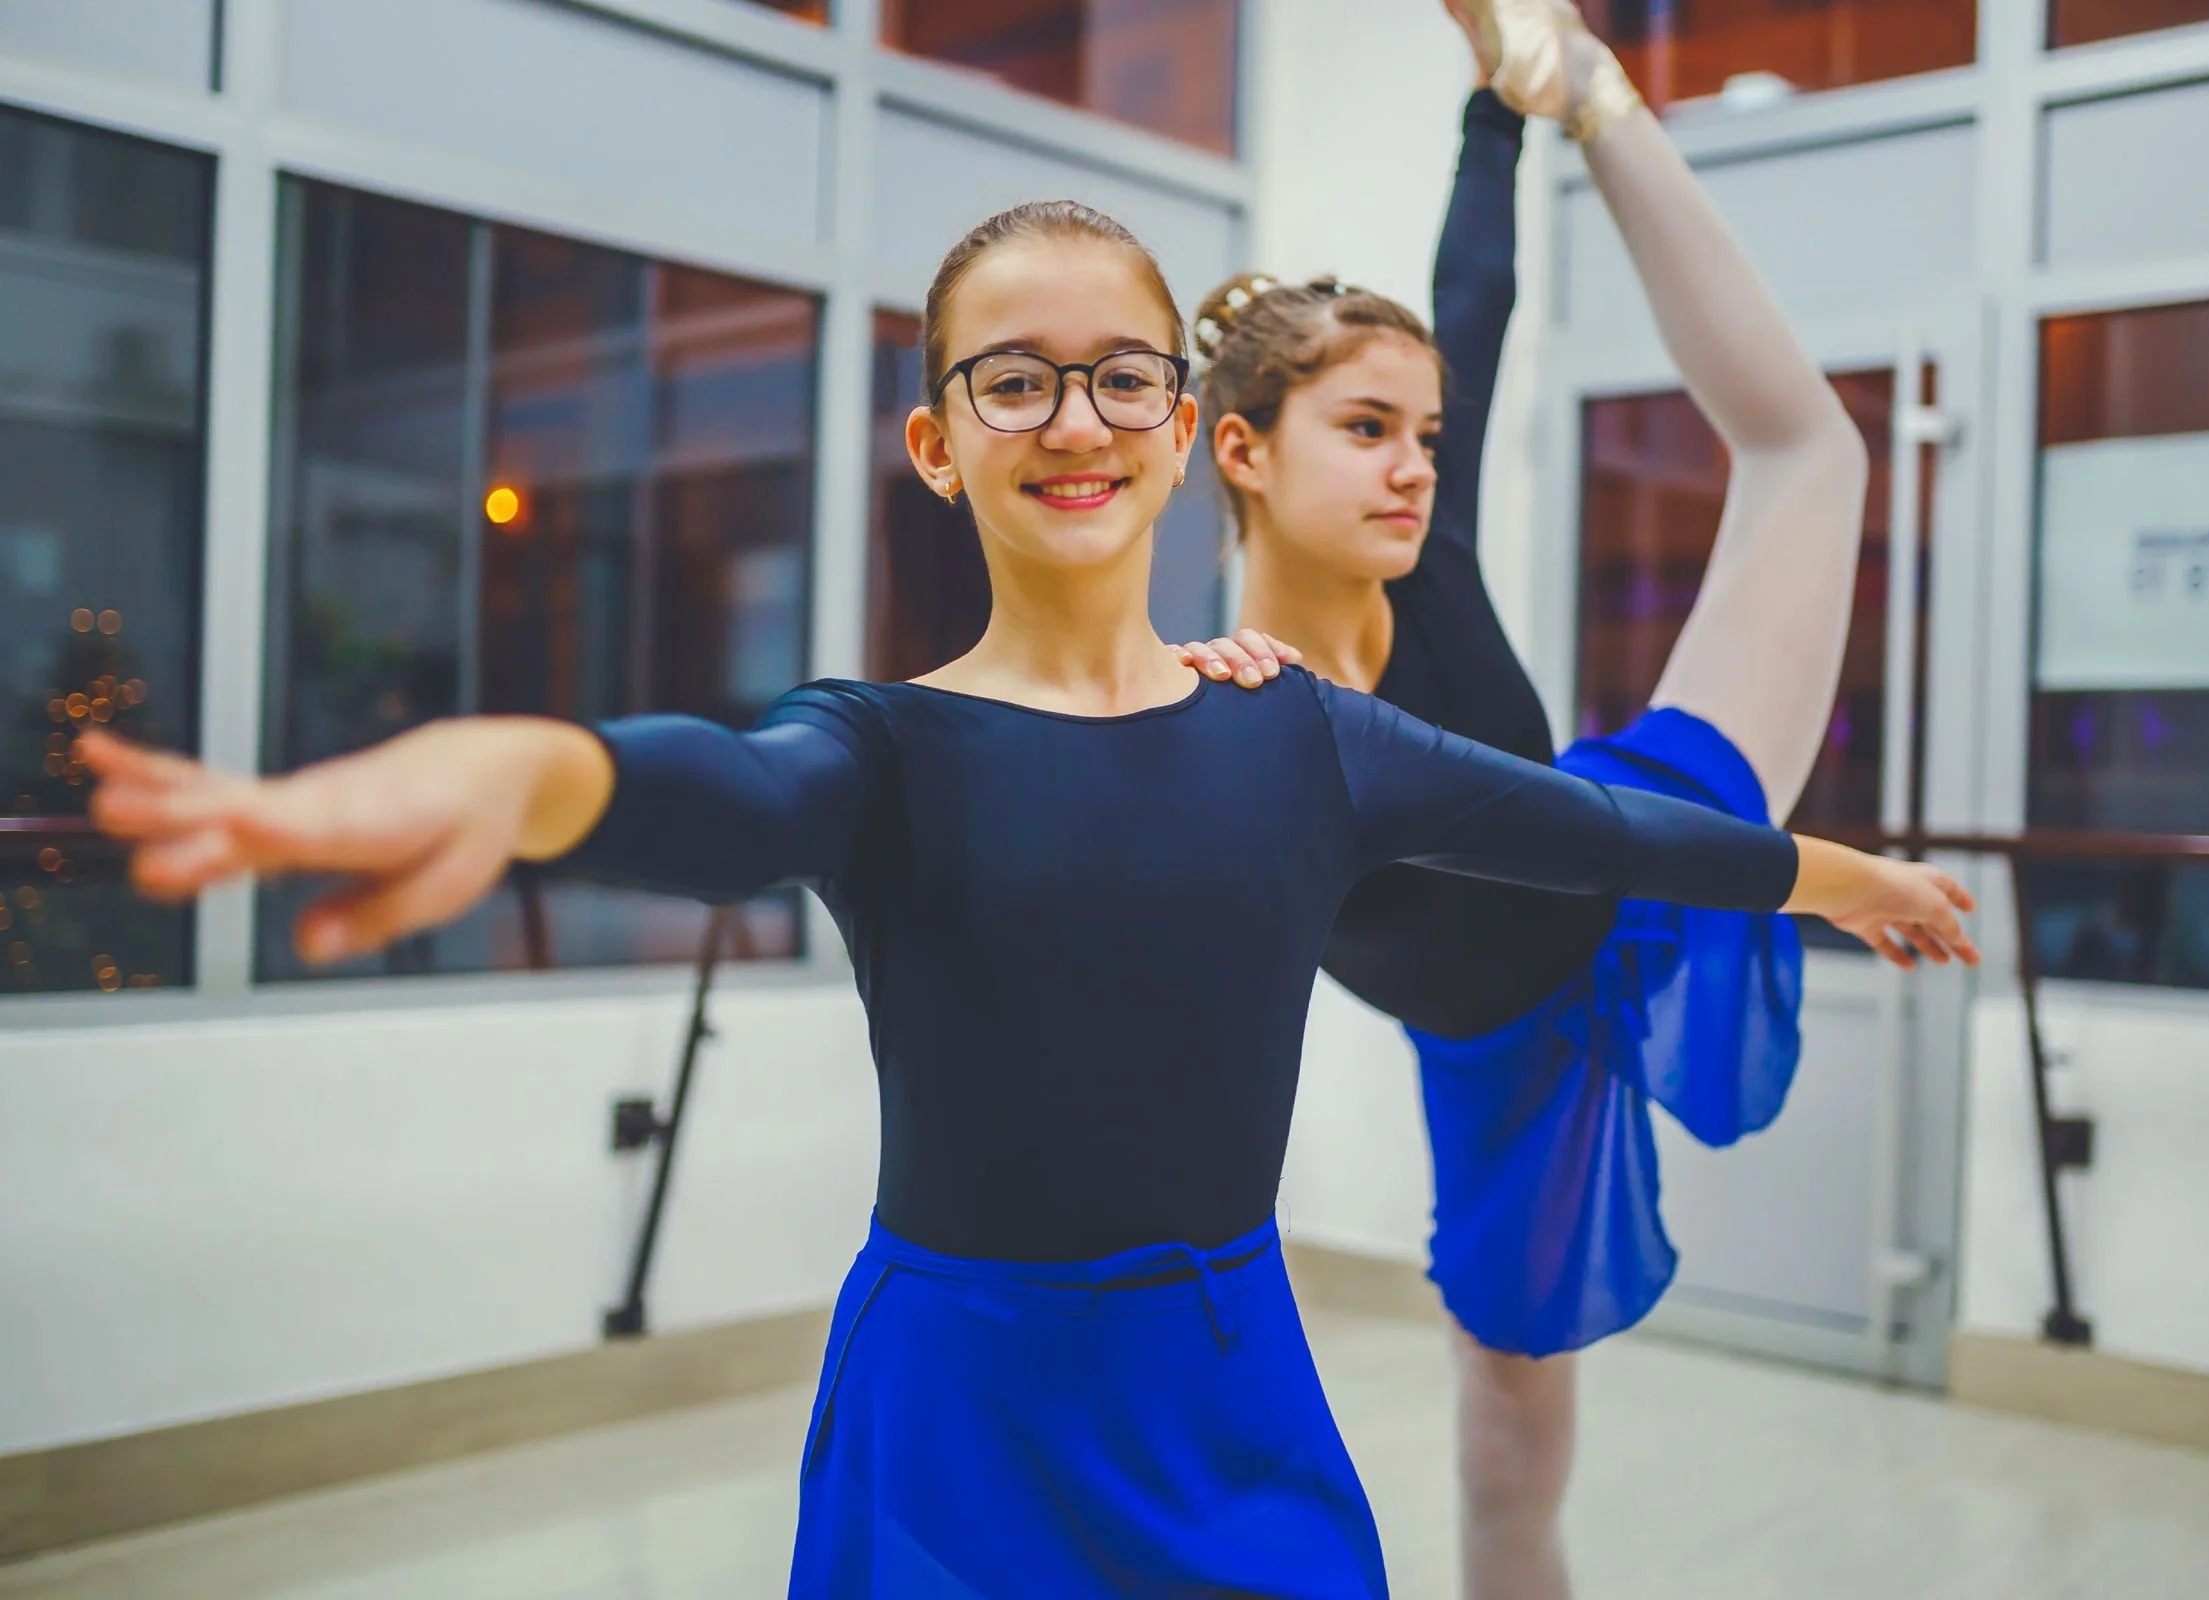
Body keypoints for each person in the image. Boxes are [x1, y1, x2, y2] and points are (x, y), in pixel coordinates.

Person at [83, 199, 1972, 1598]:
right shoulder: (881, 747)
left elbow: (1599, 838)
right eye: (1013, 379)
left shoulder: (1304, 737)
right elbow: (729, 798)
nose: (1071, 417)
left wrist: (1827, 873)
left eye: (1118, 377)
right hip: (956, 1405)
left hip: (1226, 1388)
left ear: (1177, 432)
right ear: (940, 442)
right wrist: (523, 769)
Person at [1173, 4, 1879, 1594]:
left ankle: (1604, 87)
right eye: (1367, 431)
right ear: (1244, 451)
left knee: (1812, 455)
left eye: (1426, 433)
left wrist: (1523, 104)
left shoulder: (1428, 544)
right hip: (1495, 1067)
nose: (1419, 465)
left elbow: (1471, 299)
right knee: (1510, 1462)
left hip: (1636, 834)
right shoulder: (1214, 702)